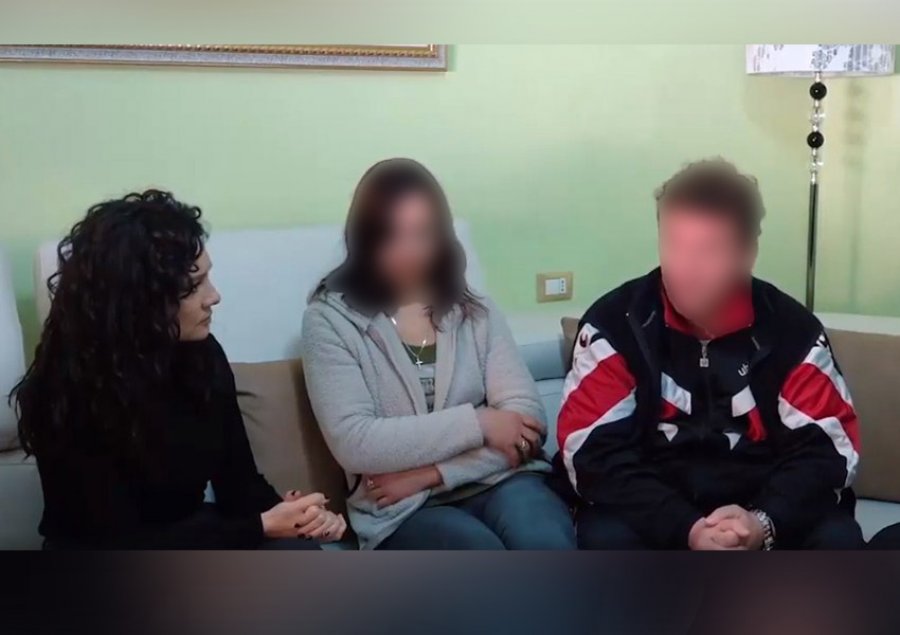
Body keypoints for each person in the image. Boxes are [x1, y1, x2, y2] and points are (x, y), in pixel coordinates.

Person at [12, 190, 346, 549]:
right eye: (192, 286)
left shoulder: (202, 356)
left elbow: (240, 486)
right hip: (105, 558)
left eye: (207, 278)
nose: (213, 296)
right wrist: (260, 526)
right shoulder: (68, 389)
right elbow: (114, 539)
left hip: (194, 536)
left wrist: (296, 515)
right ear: (139, 298)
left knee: (298, 549)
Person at [557, 159, 863, 550]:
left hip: (760, 510)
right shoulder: (615, 325)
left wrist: (762, 523)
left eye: (709, 250)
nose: (687, 269)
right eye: (674, 245)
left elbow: (827, 451)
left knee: (837, 538)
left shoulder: (794, 332)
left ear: (747, 253)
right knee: (606, 538)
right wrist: (685, 528)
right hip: (652, 513)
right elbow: (590, 449)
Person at [302, 158, 576, 550]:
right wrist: (480, 423)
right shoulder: (330, 320)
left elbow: (527, 423)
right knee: (479, 553)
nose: (409, 252)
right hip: (401, 508)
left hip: (497, 480)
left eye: (423, 234)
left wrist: (432, 473)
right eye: (391, 236)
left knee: (544, 540)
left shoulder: (474, 311)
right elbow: (357, 442)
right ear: (365, 238)